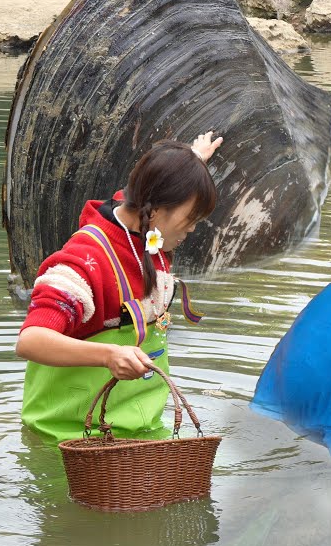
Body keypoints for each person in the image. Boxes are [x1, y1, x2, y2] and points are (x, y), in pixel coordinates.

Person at [16, 132, 223, 441]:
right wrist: (108, 354)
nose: (192, 227)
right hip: (69, 441)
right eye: (190, 217)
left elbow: (154, 186)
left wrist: (193, 160)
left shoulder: (141, 219)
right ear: (155, 211)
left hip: (142, 429)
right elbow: (31, 340)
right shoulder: (84, 262)